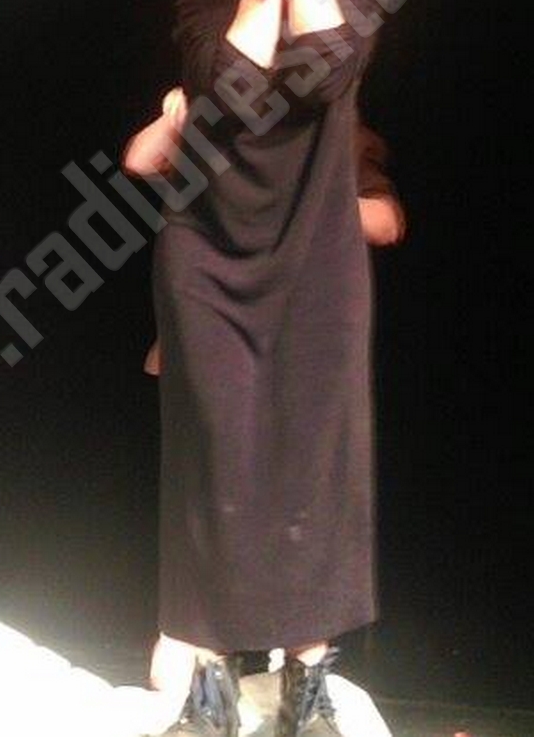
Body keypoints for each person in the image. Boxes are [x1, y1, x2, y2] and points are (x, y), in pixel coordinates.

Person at [145, 0, 392, 737]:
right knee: (213, 454)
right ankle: (210, 680)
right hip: (208, 241)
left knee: (318, 451)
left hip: (316, 242)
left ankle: (306, 679)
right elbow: (230, 98)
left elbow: (327, 72)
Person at [125, 102, 405, 697]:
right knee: (216, 488)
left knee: (295, 495)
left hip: (297, 345)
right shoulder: (217, 121)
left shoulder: (338, 133)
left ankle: (300, 656)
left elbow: (385, 220)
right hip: (219, 340)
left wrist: (303, 209)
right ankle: (209, 655)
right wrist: (176, 118)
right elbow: (141, 161)